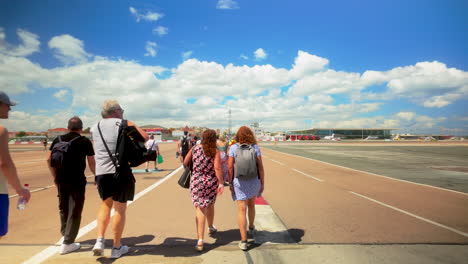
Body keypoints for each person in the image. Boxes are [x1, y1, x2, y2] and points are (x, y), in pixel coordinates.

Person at [90, 100, 148, 259]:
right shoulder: (122, 123)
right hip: (120, 171)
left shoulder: (95, 127)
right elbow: (144, 137)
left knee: (105, 205)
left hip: (101, 172)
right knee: (120, 209)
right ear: (115, 111)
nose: (123, 112)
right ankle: (116, 247)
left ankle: (99, 241)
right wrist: (128, 123)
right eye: (121, 110)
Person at [46, 116, 96, 254]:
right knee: (75, 209)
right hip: (77, 180)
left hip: (61, 179)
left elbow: (48, 159)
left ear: (67, 127)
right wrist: (97, 176)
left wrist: (55, 177)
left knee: (63, 207)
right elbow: (91, 162)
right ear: (81, 128)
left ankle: (65, 235)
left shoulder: (58, 140)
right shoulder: (84, 141)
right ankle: (68, 242)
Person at [184, 129, 224, 252]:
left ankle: (200, 240)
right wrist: (221, 182)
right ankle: (211, 227)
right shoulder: (214, 151)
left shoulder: (195, 148)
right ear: (214, 139)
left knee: (200, 208)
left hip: (196, 181)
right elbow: (217, 168)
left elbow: (185, 162)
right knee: (210, 204)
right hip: (211, 182)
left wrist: (196, 168)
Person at [228, 126, 265, 251]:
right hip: (253, 180)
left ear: (238, 135)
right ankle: (252, 226)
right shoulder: (255, 148)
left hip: (239, 181)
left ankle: (243, 241)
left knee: (241, 210)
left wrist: (230, 183)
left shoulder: (233, 148)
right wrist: (262, 183)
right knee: (252, 205)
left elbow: (229, 167)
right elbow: (260, 167)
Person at [0, 91, 31, 239]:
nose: (9, 109)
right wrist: (20, 189)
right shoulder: (1, 131)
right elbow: (4, 164)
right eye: (7, 105)